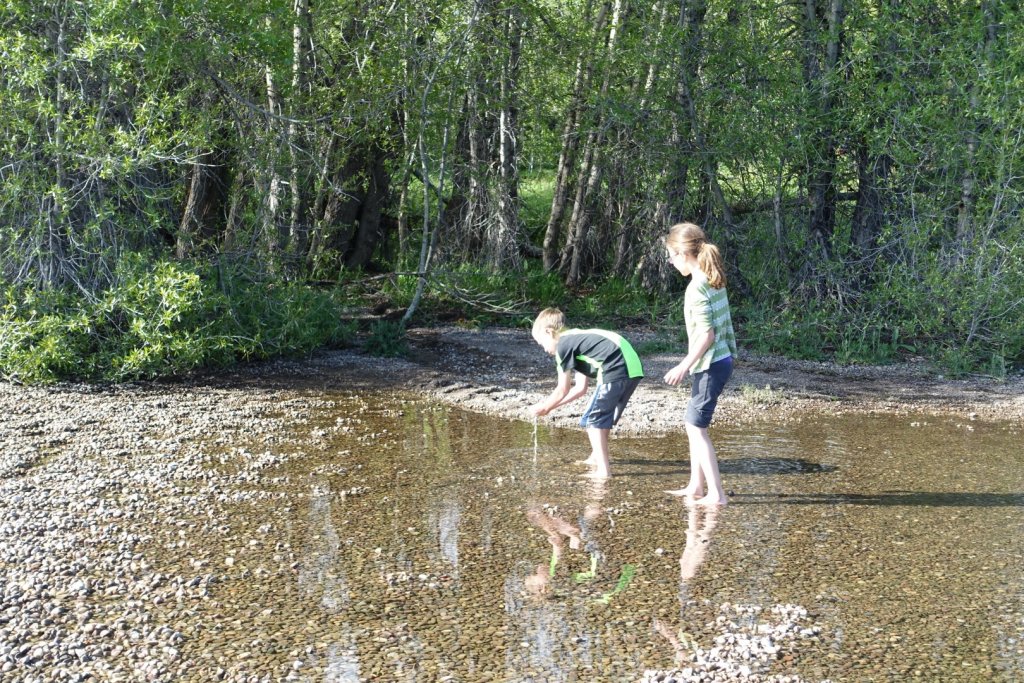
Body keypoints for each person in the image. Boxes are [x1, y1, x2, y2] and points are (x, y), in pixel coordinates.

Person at [662, 223, 737, 505]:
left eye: (671, 255)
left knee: (696, 428)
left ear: (683, 253)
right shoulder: (711, 278)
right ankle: (695, 486)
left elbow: (707, 334)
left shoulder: (696, 288)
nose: (670, 262)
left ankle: (716, 495)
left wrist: (683, 365)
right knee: (692, 423)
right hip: (719, 360)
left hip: (711, 364)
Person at [529, 308, 644, 478]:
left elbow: (563, 389)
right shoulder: (577, 340)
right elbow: (579, 389)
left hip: (615, 368)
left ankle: (604, 471)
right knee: (601, 417)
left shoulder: (563, 346)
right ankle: (596, 457)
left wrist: (545, 405)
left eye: (542, 343)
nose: (544, 349)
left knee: (593, 420)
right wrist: (550, 408)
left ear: (549, 332)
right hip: (632, 369)